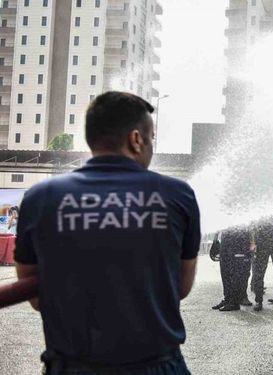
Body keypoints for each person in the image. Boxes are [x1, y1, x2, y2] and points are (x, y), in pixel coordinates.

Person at [14, 91, 200, 374]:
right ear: (136, 139)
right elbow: (180, 288)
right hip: (156, 367)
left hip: (72, 368)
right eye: (152, 139)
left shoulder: (41, 197)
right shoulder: (177, 195)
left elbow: (36, 296)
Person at [212, 227, 254, 312]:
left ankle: (234, 302)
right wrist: (215, 239)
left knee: (234, 273)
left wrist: (252, 242)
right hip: (225, 239)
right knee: (225, 272)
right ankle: (227, 299)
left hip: (237, 241)